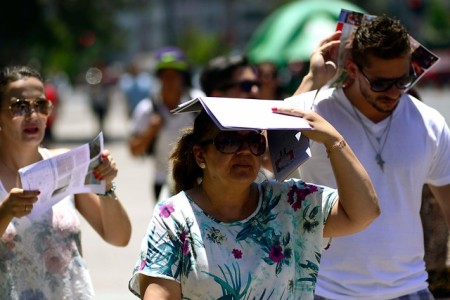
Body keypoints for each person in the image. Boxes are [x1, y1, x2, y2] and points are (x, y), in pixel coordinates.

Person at [128, 101, 380, 298]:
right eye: (229, 141)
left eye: (255, 141)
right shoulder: (173, 217)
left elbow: (363, 212)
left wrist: (334, 140)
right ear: (199, 155)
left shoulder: (290, 203)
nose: (245, 151)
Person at [294, 16, 450, 299]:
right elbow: (266, 156)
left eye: (402, 80)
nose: (393, 92)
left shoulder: (429, 122)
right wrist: (311, 80)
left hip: (410, 288)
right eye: (380, 83)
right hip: (327, 290)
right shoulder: (315, 110)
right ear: (353, 69)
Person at [0, 65, 132, 299]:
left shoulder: (64, 163)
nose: (33, 115)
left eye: (41, 105)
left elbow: (119, 237)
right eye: (19, 106)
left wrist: (106, 187)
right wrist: (5, 212)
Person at [128, 46, 204, 200]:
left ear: (182, 77)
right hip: (162, 180)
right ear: (159, 78)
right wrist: (151, 130)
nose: (170, 81)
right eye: (165, 76)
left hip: (197, 179)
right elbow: (134, 150)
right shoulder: (147, 109)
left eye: (174, 75)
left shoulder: (198, 103)